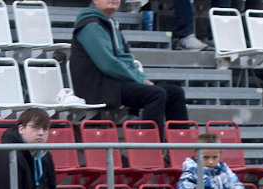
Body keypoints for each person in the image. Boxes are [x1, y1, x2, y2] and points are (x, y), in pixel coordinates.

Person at [71, 0, 189, 140]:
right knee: (155, 94)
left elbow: (126, 59)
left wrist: (142, 78)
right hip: (96, 87)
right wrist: (139, 80)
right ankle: (150, 153)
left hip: (112, 83)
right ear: (95, 1)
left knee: (175, 93)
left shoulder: (111, 24)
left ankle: (181, 152)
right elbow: (108, 64)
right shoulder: (90, 25)